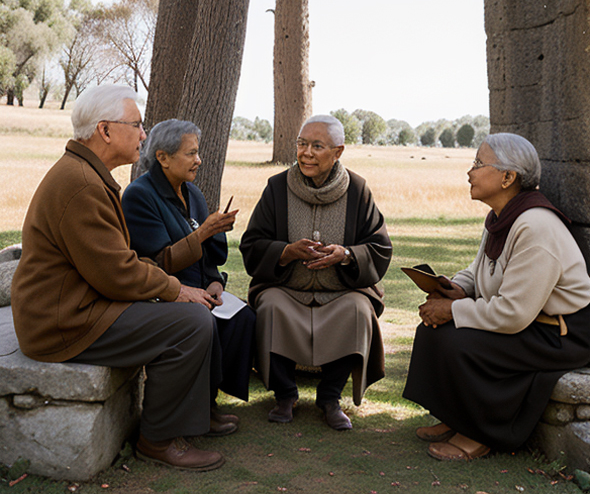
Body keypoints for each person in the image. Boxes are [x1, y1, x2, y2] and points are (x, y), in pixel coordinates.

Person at [11, 84, 235, 472]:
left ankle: (186, 422)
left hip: (79, 306)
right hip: (62, 322)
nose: (144, 135)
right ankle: (158, 440)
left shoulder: (85, 173)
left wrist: (174, 289)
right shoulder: (80, 182)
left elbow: (119, 262)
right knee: (191, 323)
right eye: (136, 125)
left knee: (190, 314)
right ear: (106, 130)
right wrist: (176, 289)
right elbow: (116, 273)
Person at [403, 133, 590, 462]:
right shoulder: (501, 218)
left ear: (508, 177)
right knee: (433, 332)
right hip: (533, 323)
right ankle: (456, 417)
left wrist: (453, 310)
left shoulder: (535, 226)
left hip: (560, 333)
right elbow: (478, 271)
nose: (470, 172)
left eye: (478, 164)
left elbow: (514, 314)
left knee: (460, 343)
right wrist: (455, 288)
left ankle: (480, 434)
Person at [240, 114, 392, 430]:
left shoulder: (358, 190)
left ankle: (330, 398)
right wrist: (285, 252)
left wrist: (347, 255)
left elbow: (379, 247)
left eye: (317, 146)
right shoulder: (277, 187)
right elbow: (253, 242)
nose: (306, 152)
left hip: (340, 293)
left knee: (358, 310)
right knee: (270, 307)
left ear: (338, 151)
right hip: (286, 290)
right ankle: (285, 395)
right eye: (301, 144)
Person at [122, 118, 256, 408]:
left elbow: (207, 256)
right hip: (166, 293)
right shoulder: (140, 196)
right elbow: (162, 261)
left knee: (243, 317)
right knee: (205, 322)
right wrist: (205, 230)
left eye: (198, 152)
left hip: (201, 289)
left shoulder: (192, 192)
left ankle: (211, 400)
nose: (199, 160)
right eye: (191, 153)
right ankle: (199, 407)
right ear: (163, 158)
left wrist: (215, 281)